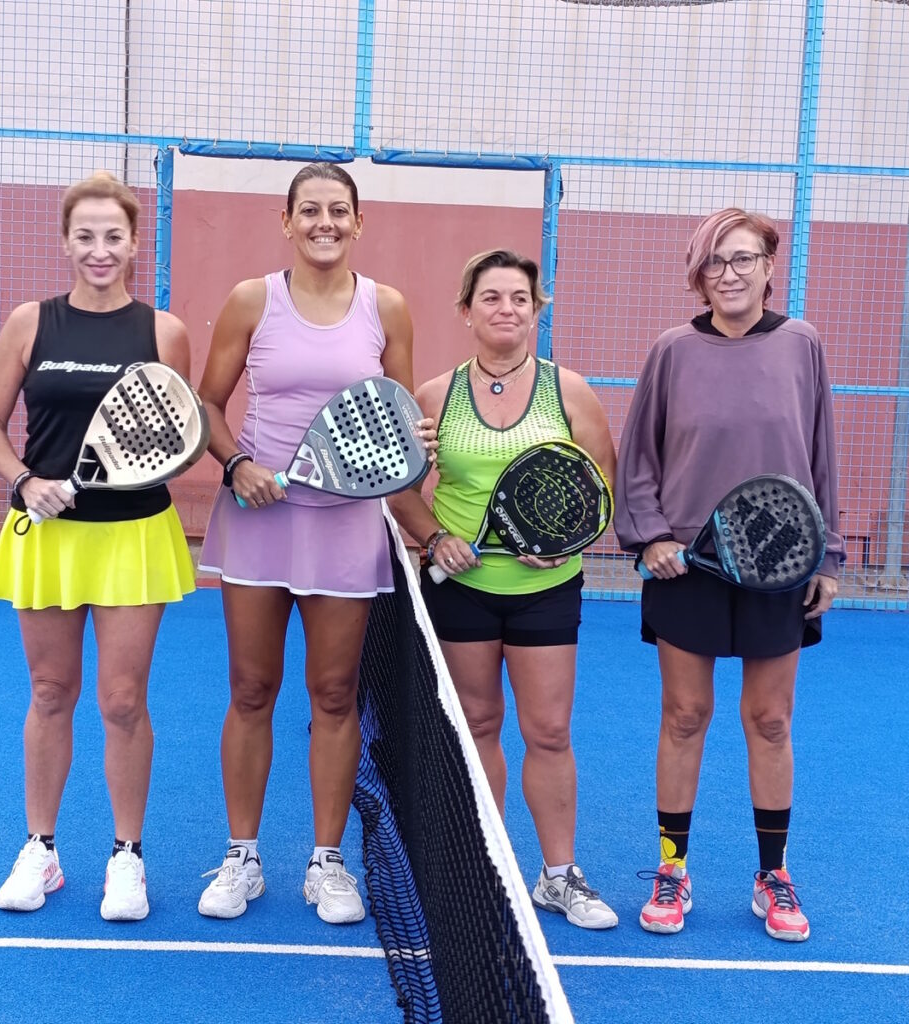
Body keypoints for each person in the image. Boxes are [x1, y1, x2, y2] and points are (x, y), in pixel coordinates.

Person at [196, 162, 428, 925]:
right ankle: (242, 857)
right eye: (310, 211)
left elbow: (397, 423)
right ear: (286, 221)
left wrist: (422, 495)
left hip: (347, 528)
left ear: (359, 223)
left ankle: (326, 864)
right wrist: (236, 465)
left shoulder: (386, 308)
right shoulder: (250, 301)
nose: (324, 223)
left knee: (334, 695)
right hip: (260, 520)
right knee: (251, 689)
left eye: (338, 211)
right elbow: (207, 401)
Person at [614, 208, 845, 942]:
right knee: (685, 717)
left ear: (770, 266)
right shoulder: (672, 350)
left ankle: (772, 875)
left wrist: (827, 555)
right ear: (699, 273)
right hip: (687, 566)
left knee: (770, 720)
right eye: (716, 262)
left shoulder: (803, 345)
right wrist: (648, 536)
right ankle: (673, 870)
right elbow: (638, 458)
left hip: (780, 563)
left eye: (744, 259)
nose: (731, 273)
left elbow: (820, 455)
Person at [0, 172, 195, 922]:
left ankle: (126, 858)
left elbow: (175, 439)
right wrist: (24, 481)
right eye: (85, 236)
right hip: (48, 534)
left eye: (114, 236)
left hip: (134, 536)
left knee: (124, 700)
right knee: (49, 692)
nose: (100, 250)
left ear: (135, 244)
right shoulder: (29, 324)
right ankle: (42, 849)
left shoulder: (164, 332)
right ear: (66, 241)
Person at [388, 248, 620, 930]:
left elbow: (599, 486)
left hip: (547, 590)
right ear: (466, 311)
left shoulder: (569, 392)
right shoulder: (434, 396)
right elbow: (403, 492)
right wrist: (434, 537)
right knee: (478, 725)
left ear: (537, 309)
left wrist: (570, 542)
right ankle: (485, 866)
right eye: (491, 298)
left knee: (547, 730)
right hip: (460, 586)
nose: (506, 309)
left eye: (519, 298)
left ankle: (558, 875)